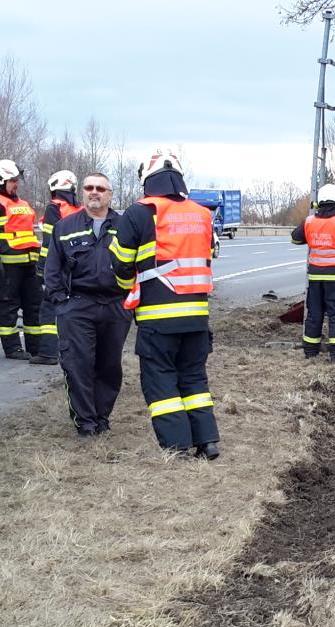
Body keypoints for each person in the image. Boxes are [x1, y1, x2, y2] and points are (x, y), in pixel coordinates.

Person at [110, 149, 220, 458]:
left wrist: (126, 292)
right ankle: (207, 441)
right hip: (198, 317)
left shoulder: (139, 213)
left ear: (147, 179)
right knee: (194, 378)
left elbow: (120, 264)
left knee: (161, 383)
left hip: (158, 319)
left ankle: (178, 447)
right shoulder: (202, 214)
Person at [45, 173, 130, 437]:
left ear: (110, 194)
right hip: (78, 305)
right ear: (82, 192)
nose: (95, 192)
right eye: (89, 188)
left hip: (116, 305)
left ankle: (102, 417)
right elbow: (52, 268)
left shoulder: (125, 225)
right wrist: (62, 303)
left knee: (109, 366)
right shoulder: (65, 226)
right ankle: (86, 422)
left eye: (101, 189)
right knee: (78, 365)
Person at [0, 159, 43, 360]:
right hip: (7, 265)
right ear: (1, 180)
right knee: (7, 307)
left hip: (29, 264)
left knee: (33, 307)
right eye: (12, 180)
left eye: (17, 180)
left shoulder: (21, 203)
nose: (16, 184)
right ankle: (12, 348)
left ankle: (35, 348)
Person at [290, 183, 335, 361]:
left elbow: (295, 239)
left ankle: (310, 352)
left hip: (315, 278)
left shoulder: (309, 221)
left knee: (314, 314)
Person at [30, 170, 80, 366]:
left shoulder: (54, 208)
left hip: (59, 266)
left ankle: (48, 352)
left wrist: (42, 269)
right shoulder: (79, 209)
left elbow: (49, 241)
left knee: (49, 308)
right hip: (77, 267)